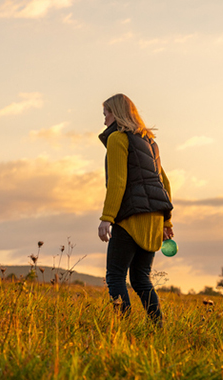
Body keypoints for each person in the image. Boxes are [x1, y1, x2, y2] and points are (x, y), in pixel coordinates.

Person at [97, 93, 174, 326]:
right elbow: (165, 183)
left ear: (116, 113)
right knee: (141, 278)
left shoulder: (118, 139)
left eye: (106, 114)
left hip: (130, 218)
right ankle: (157, 326)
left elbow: (118, 182)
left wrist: (106, 218)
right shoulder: (150, 142)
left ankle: (124, 326)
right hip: (154, 219)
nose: (104, 121)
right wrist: (166, 223)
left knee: (115, 276)